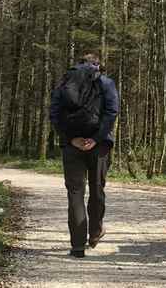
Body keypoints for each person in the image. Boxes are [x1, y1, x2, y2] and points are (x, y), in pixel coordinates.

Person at [50, 53, 119, 258]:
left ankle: (78, 246)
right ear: (98, 65)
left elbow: (54, 114)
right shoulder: (106, 83)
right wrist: (96, 138)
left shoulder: (65, 82)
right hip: (99, 145)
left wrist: (71, 139)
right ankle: (96, 231)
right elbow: (112, 112)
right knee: (97, 188)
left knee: (75, 193)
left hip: (72, 145)